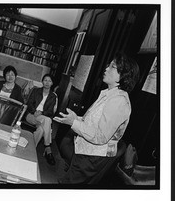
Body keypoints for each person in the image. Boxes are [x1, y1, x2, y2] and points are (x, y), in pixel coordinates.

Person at [54, 52, 140, 184]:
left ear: (123, 75)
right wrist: (76, 118)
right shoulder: (110, 94)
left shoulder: (119, 101)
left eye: (112, 66)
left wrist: (74, 123)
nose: (106, 68)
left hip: (92, 157)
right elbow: (93, 120)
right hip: (86, 151)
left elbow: (101, 136)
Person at [25, 74, 57, 165]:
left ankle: (30, 149)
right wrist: (34, 111)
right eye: (45, 80)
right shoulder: (36, 91)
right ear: (42, 82)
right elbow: (29, 103)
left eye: (49, 81)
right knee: (48, 121)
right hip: (31, 115)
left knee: (42, 129)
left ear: (52, 83)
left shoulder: (53, 96)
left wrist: (41, 113)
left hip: (42, 118)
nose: (47, 82)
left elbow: (50, 111)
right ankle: (47, 147)